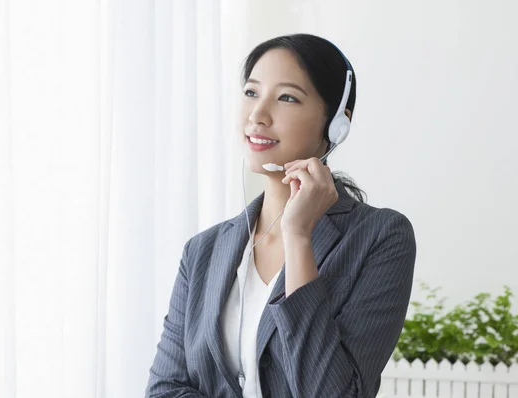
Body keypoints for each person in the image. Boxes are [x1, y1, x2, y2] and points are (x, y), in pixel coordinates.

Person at [145, 33, 416, 398]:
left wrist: (299, 237)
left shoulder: (382, 237)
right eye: (251, 92)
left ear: (336, 122)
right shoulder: (202, 252)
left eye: (287, 97)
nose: (257, 115)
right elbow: (164, 389)